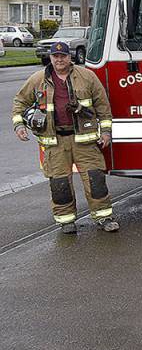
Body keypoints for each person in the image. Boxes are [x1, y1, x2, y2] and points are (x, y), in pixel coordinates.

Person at [12, 41, 117, 233]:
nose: (59, 60)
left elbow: (103, 106)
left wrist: (106, 131)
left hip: (85, 140)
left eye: (63, 56)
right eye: (55, 56)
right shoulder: (37, 79)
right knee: (59, 184)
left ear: (71, 57)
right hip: (55, 142)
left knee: (95, 180)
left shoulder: (87, 77)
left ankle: (104, 217)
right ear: (50, 58)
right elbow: (19, 101)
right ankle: (66, 221)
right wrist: (19, 125)